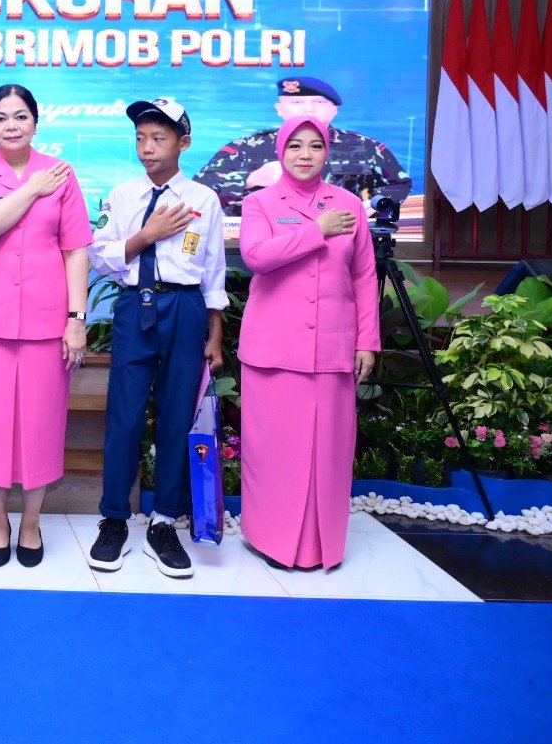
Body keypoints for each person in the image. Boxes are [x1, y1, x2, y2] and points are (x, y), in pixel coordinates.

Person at [87, 96, 228, 578]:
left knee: (175, 419)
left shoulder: (204, 199)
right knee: (124, 417)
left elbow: (213, 271)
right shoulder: (123, 195)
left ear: (183, 143)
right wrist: (146, 235)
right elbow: (101, 256)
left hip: (185, 308)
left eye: (159, 138)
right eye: (141, 138)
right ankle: (114, 519)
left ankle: (164, 522)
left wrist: (214, 333)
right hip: (135, 306)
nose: (147, 147)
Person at [0, 85, 92, 568]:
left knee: (40, 428)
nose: (10, 125)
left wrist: (77, 318)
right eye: (0, 117)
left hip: (46, 323)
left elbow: (75, 249)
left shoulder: (62, 173)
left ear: (35, 121)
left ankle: (31, 523)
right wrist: (32, 189)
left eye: (20, 116)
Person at [237, 115, 380, 570]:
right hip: (274, 352)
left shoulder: (348, 205)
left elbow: (364, 276)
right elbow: (257, 257)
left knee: (328, 452)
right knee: (276, 453)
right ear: (281, 150)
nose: (304, 154)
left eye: (315, 146)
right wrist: (317, 230)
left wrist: (367, 341)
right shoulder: (260, 203)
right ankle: (270, 540)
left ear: (327, 153)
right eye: (295, 145)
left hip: (332, 351)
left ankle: (321, 547)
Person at [193, 76, 411, 217]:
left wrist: (374, 204)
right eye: (297, 102)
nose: (309, 109)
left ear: (335, 110)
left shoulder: (364, 146)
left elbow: (399, 183)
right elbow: (200, 188)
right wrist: (251, 179)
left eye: (319, 102)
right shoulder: (248, 146)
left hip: (340, 237)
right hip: (264, 240)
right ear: (279, 109)